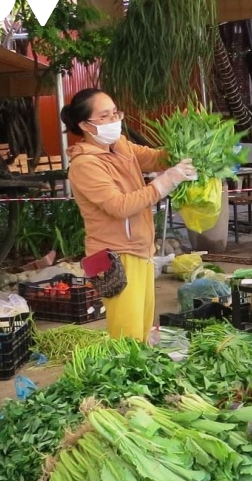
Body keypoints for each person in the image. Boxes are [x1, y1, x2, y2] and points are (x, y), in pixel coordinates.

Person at [62, 88, 197, 341]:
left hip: (141, 249)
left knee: (143, 328)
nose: (114, 120)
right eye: (104, 116)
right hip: (115, 257)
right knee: (128, 336)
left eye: (115, 113)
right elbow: (119, 206)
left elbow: (156, 158)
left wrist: (186, 135)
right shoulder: (85, 164)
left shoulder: (120, 145)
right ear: (85, 125)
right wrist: (163, 183)